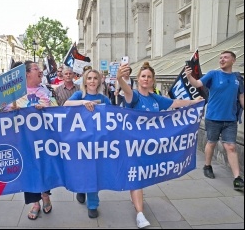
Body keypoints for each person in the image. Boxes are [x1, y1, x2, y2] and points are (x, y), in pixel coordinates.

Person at [117, 62, 204, 228]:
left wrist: (193, 102)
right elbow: (126, 90)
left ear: (152, 80)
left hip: (151, 147)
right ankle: (140, 214)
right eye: (143, 76)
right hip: (133, 145)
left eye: (149, 77)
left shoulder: (156, 98)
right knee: (137, 178)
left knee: (140, 176)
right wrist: (120, 78)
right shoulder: (134, 96)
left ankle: (135, 199)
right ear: (138, 78)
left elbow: (175, 103)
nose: (146, 79)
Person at [3, 60, 58, 220]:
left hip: (43, 141)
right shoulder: (15, 93)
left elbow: (57, 113)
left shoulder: (45, 90)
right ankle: (35, 203)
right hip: (24, 141)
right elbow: (5, 113)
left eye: (39, 68)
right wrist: (11, 110)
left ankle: (45, 195)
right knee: (30, 171)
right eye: (35, 68)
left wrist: (46, 109)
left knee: (43, 168)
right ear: (26, 73)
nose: (40, 70)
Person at [185, 50, 244, 190]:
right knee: (211, 143)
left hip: (230, 119)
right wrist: (189, 76)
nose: (222, 59)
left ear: (233, 60)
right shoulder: (213, 74)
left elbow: (241, 97)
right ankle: (207, 166)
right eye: (221, 57)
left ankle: (237, 178)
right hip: (213, 117)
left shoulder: (238, 78)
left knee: (230, 146)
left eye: (226, 57)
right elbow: (197, 83)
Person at [64, 69, 111, 219]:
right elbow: (66, 103)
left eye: (95, 78)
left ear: (99, 81)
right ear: (85, 81)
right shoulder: (80, 95)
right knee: (83, 170)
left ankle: (93, 204)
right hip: (81, 141)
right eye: (89, 78)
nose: (92, 81)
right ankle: (81, 188)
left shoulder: (103, 98)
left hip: (97, 143)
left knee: (94, 172)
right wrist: (83, 102)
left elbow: (114, 115)